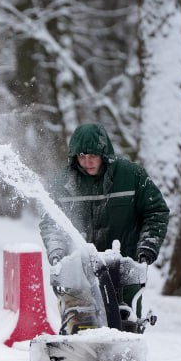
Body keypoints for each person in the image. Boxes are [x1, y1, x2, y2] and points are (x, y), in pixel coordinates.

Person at [39, 123, 170, 316]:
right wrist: (56, 252)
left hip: (125, 269)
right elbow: (51, 222)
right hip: (79, 273)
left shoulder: (132, 175)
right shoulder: (62, 183)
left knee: (125, 326)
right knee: (81, 326)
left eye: (93, 155)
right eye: (82, 156)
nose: (87, 161)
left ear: (104, 153)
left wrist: (147, 248)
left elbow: (156, 211)